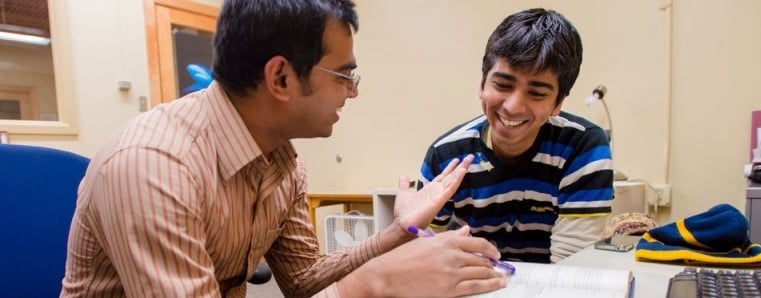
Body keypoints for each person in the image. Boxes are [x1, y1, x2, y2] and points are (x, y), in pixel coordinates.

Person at [60, 0, 507, 297]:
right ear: (280, 78)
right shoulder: (153, 167)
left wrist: (398, 232)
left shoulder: (280, 158)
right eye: (343, 77)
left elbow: (303, 281)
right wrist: (378, 281)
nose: (351, 94)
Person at [417, 8, 614, 264]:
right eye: (502, 85)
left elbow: (571, 265)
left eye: (537, 93)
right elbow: (423, 255)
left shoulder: (584, 147)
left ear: (558, 103)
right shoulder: (445, 156)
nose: (513, 106)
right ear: (482, 85)